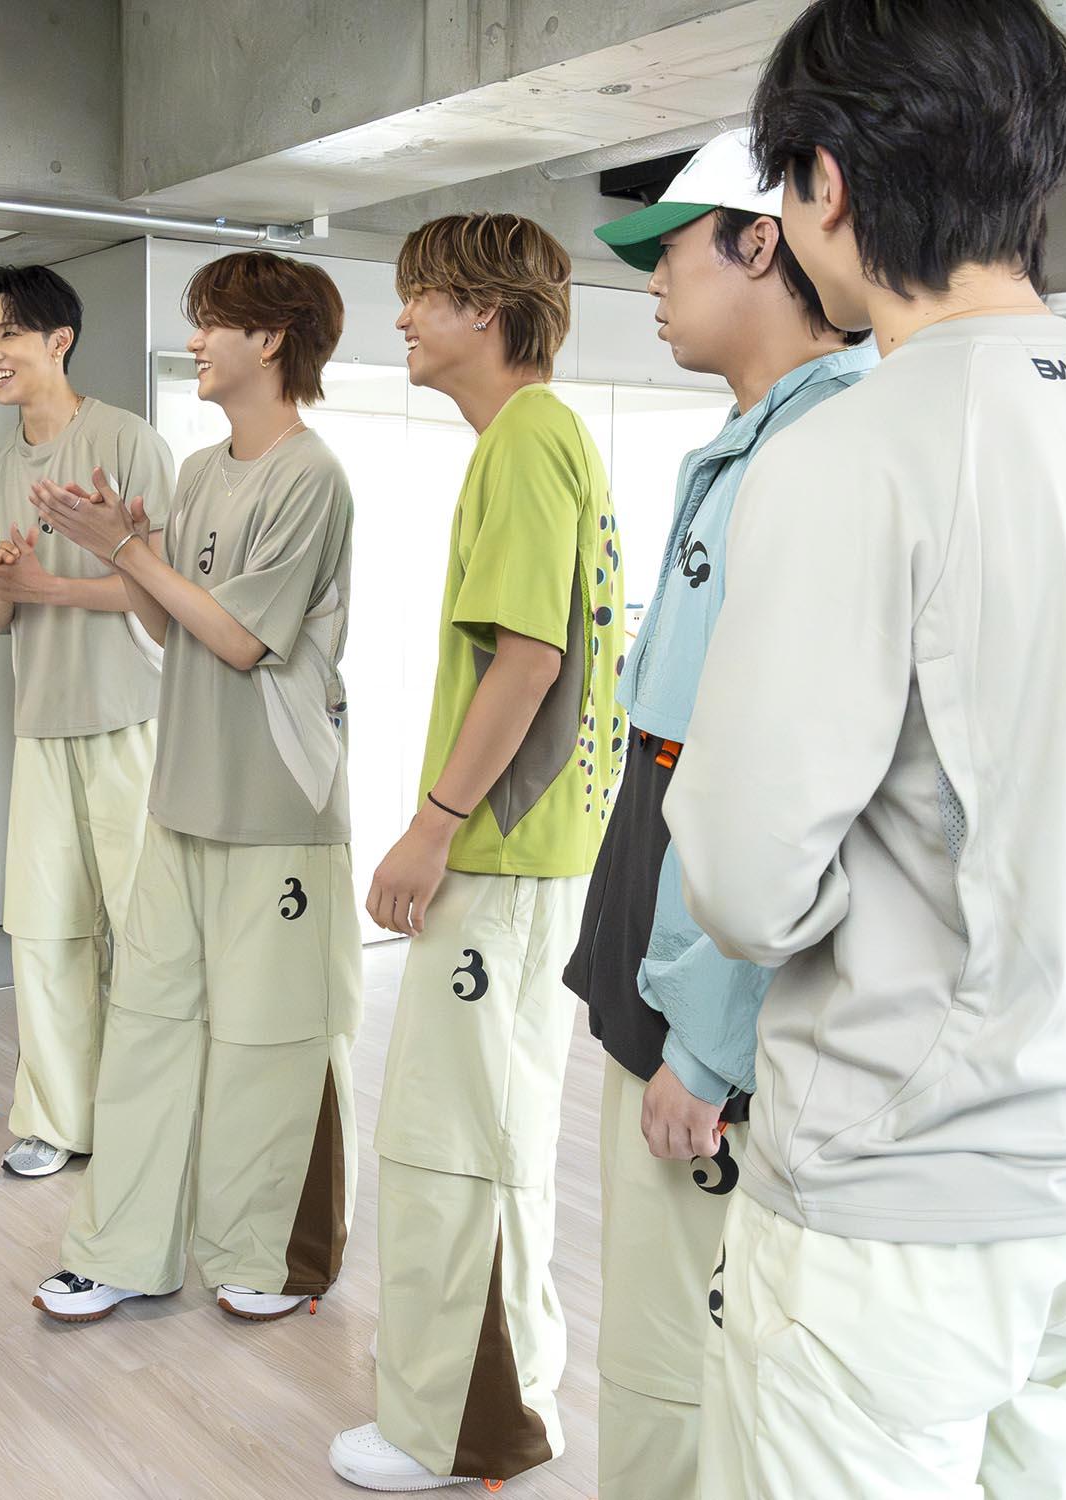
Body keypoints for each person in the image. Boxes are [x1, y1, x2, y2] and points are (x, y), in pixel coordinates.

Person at [669, 2, 1066, 1494]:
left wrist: (872, 901)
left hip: (902, 1192)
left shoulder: (852, 449)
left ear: (824, 184)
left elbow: (742, 879)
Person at [556, 128, 873, 1500]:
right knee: (655, 1323)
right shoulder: (755, 441)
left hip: (719, 973)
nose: (651, 282)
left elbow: (788, 787)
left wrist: (708, 1035)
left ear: (764, 239)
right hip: (663, 906)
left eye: (670, 250)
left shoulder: (836, 450)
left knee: (682, 1346)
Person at [328, 214, 624, 1493]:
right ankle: (475, 1406)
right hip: (523, 855)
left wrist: (433, 824)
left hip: (502, 858)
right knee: (473, 1131)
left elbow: (530, 658)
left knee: (463, 1145)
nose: (402, 317)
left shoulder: (528, 438)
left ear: (489, 310)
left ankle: (467, 1428)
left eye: (423, 296)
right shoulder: (539, 439)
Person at [27, 250, 358, 1327]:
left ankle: (267, 1253)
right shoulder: (204, 470)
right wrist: (124, 549)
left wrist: (129, 547)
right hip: (183, 796)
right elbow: (173, 625)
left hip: (277, 807)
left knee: (270, 1044)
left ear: (271, 338)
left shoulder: (312, 476)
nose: (196, 340)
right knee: (149, 1027)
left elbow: (244, 640)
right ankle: (120, 1249)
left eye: (213, 321)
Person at [0, 264, 176, 1179]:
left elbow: (164, 592)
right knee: (44, 934)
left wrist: (45, 584)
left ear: (59, 340)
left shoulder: (125, 441)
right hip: (41, 725)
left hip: (132, 718)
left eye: (10, 333)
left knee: (146, 931)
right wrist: (3, 579)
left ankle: (147, 1118)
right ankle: (55, 1118)